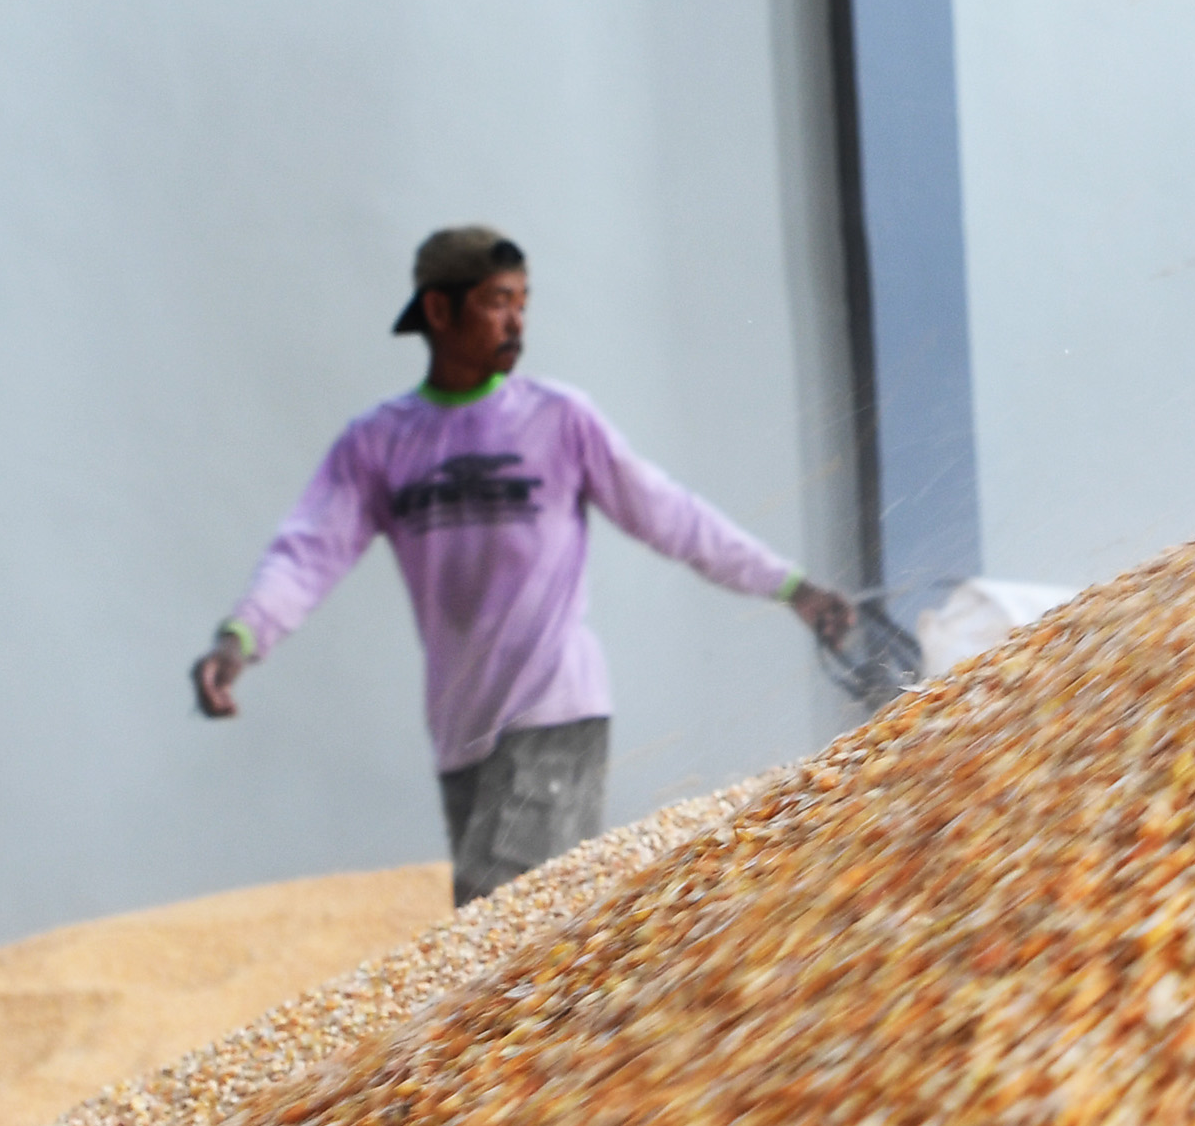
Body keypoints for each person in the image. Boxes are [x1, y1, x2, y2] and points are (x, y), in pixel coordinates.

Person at [193, 227, 856, 904]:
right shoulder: (379, 442)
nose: (516, 322)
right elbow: (309, 551)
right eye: (496, 302)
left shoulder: (558, 419)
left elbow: (671, 515)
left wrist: (792, 587)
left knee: (493, 918)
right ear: (439, 311)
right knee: (523, 933)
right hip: (461, 736)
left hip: (555, 716)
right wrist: (241, 637)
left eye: (522, 302)